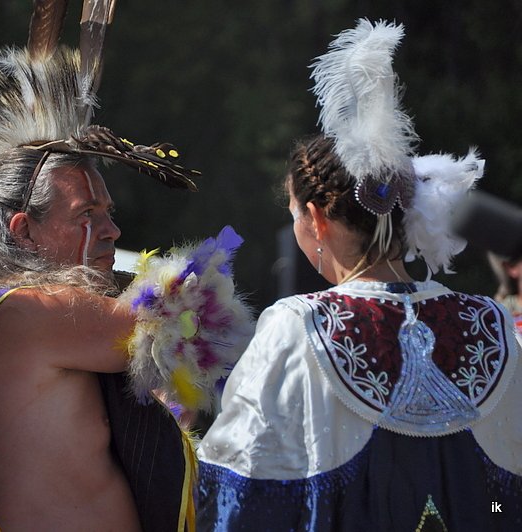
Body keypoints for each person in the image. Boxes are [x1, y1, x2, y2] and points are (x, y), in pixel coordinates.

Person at [0, 3, 252, 531]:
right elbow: (186, 320)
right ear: (23, 230)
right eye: (87, 214)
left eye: (109, 212)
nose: (111, 231)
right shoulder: (24, 312)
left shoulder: (28, 316)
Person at [196, 19, 521, 531]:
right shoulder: (493, 323)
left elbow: (239, 494)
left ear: (316, 219)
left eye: (293, 213)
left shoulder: (297, 326)